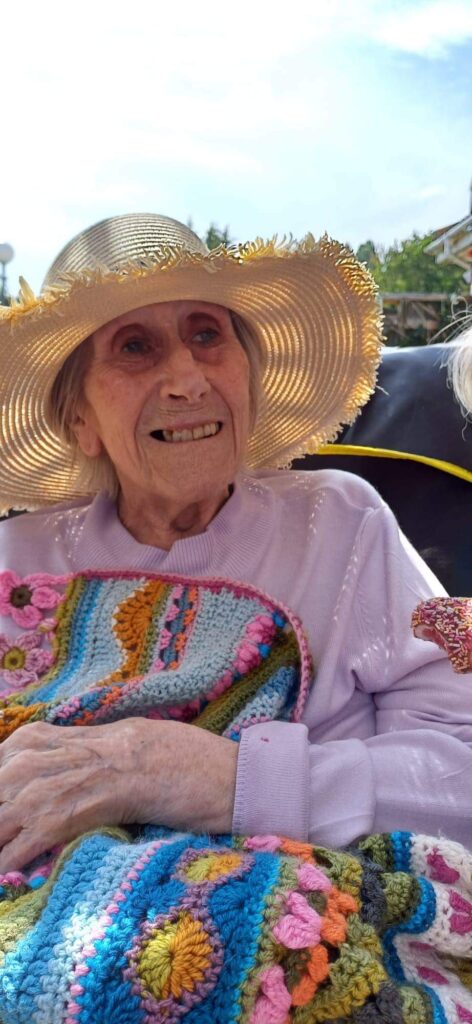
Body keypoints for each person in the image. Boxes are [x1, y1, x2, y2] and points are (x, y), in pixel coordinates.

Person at [0, 213, 471, 1023]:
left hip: (299, 938)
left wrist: (228, 780)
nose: (187, 377)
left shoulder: (345, 521)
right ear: (79, 418)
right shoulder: (18, 558)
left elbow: (461, 763)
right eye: (135, 347)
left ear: (248, 374)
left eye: (206, 334)